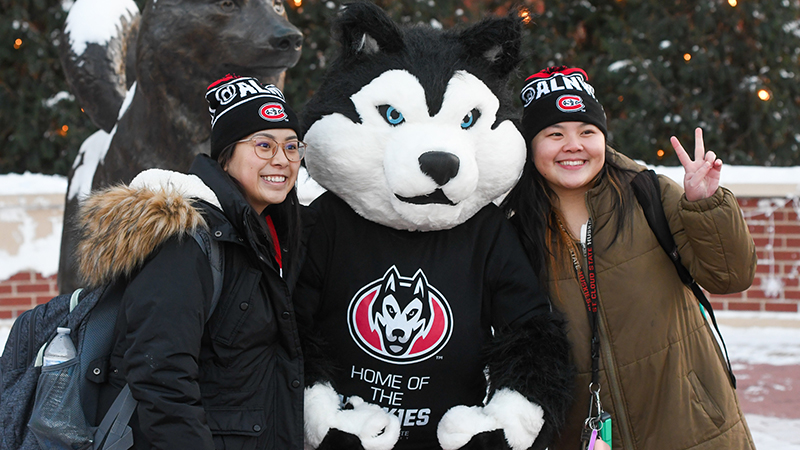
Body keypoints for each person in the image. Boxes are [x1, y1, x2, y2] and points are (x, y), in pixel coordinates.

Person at [502, 66, 757, 450]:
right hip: (575, 433)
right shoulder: (513, 226)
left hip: (692, 428)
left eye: (587, 132)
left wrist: (706, 206)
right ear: (531, 144)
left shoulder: (648, 193)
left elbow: (731, 277)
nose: (573, 145)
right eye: (555, 134)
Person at [75, 74, 306, 449]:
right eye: (264, 145)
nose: (281, 160)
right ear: (226, 156)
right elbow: (159, 373)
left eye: (292, 147)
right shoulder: (190, 240)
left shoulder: (271, 232)